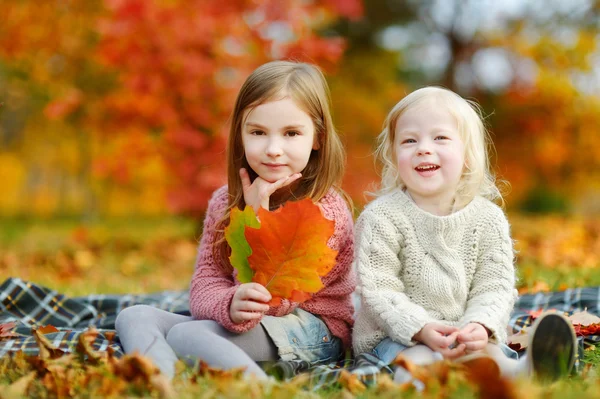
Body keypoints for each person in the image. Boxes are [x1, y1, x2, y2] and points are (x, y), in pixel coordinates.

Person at [115, 60, 356, 380]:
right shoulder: (224, 202)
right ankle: (163, 383)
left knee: (188, 336)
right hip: (245, 321)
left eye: (291, 133)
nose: (273, 149)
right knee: (135, 316)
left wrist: (255, 220)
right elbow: (205, 284)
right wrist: (228, 304)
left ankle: (256, 388)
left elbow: (275, 302)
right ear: (240, 134)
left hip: (313, 330)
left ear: (317, 138)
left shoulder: (325, 213)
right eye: (258, 132)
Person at [352, 86, 577, 382]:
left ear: (467, 155)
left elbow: (494, 286)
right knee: (418, 362)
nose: (423, 148)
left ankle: (529, 371)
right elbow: (379, 291)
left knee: (489, 356)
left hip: (464, 332)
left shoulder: (488, 218)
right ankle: (422, 384)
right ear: (394, 156)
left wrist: (480, 325)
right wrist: (420, 328)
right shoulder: (381, 217)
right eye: (409, 140)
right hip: (397, 336)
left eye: (440, 137)